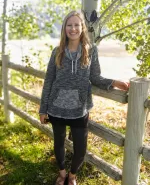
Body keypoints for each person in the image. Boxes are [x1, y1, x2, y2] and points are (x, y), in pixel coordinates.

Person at [39, 10, 129, 185]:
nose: (73, 29)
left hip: (80, 109)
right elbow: (49, 81)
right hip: (56, 107)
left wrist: (115, 82)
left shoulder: (91, 50)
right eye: (69, 25)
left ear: (82, 28)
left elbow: (95, 77)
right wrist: (43, 109)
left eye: (76, 25)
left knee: (80, 148)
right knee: (59, 144)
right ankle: (62, 173)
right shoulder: (57, 51)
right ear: (64, 28)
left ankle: (73, 175)